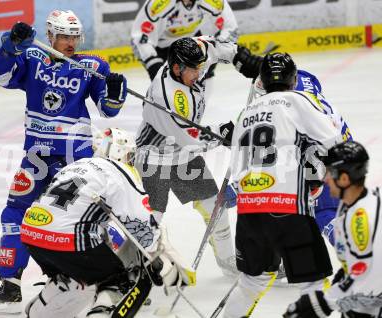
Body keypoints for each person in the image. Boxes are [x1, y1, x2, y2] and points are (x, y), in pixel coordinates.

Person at [0, 10, 127, 314]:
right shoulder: (32, 57)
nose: (70, 43)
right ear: (51, 36)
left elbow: (108, 110)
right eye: (64, 36)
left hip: (75, 157)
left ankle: (121, 277)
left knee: (88, 218)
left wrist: (114, 90)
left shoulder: (92, 65)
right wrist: (10, 47)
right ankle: (10, 286)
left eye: (74, 37)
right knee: (14, 212)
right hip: (36, 157)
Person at [20, 128, 195, 318]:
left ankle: (37, 313)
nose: (131, 160)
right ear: (120, 152)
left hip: (31, 232)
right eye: (130, 155)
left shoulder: (78, 165)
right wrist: (162, 261)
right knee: (118, 281)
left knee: (76, 275)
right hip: (68, 238)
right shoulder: (120, 171)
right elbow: (143, 225)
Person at [223, 52, 343, 318]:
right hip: (288, 211)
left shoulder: (245, 113)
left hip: (249, 212)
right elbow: (334, 143)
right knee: (314, 285)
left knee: (251, 283)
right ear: (293, 80)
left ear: (262, 83)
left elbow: (237, 172)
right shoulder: (297, 100)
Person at [134, 36, 253, 277]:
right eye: (193, 70)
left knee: (214, 209)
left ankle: (229, 262)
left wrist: (242, 58)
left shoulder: (192, 58)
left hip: (182, 157)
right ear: (177, 68)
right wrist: (223, 133)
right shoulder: (168, 97)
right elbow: (191, 139)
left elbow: (214, 45)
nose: (199, 74)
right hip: (154, 159)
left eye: (200, 67)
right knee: (150, 222)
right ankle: (135, 273)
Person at [284, 141, 382, 318]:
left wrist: (322, 302)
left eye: (329, 173)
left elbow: (368, 280)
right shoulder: (351, 208)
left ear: (344, 179)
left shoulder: (361, 219)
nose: (324, 179)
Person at [131, 0, 239, 80]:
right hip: (161, 48)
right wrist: (153, 64)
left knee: (204, 77)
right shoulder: (159, 4)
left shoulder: (212, 2)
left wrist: (215, 51)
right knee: (165, 87)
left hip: (192, 40)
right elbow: (140, 38)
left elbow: (230, 28)